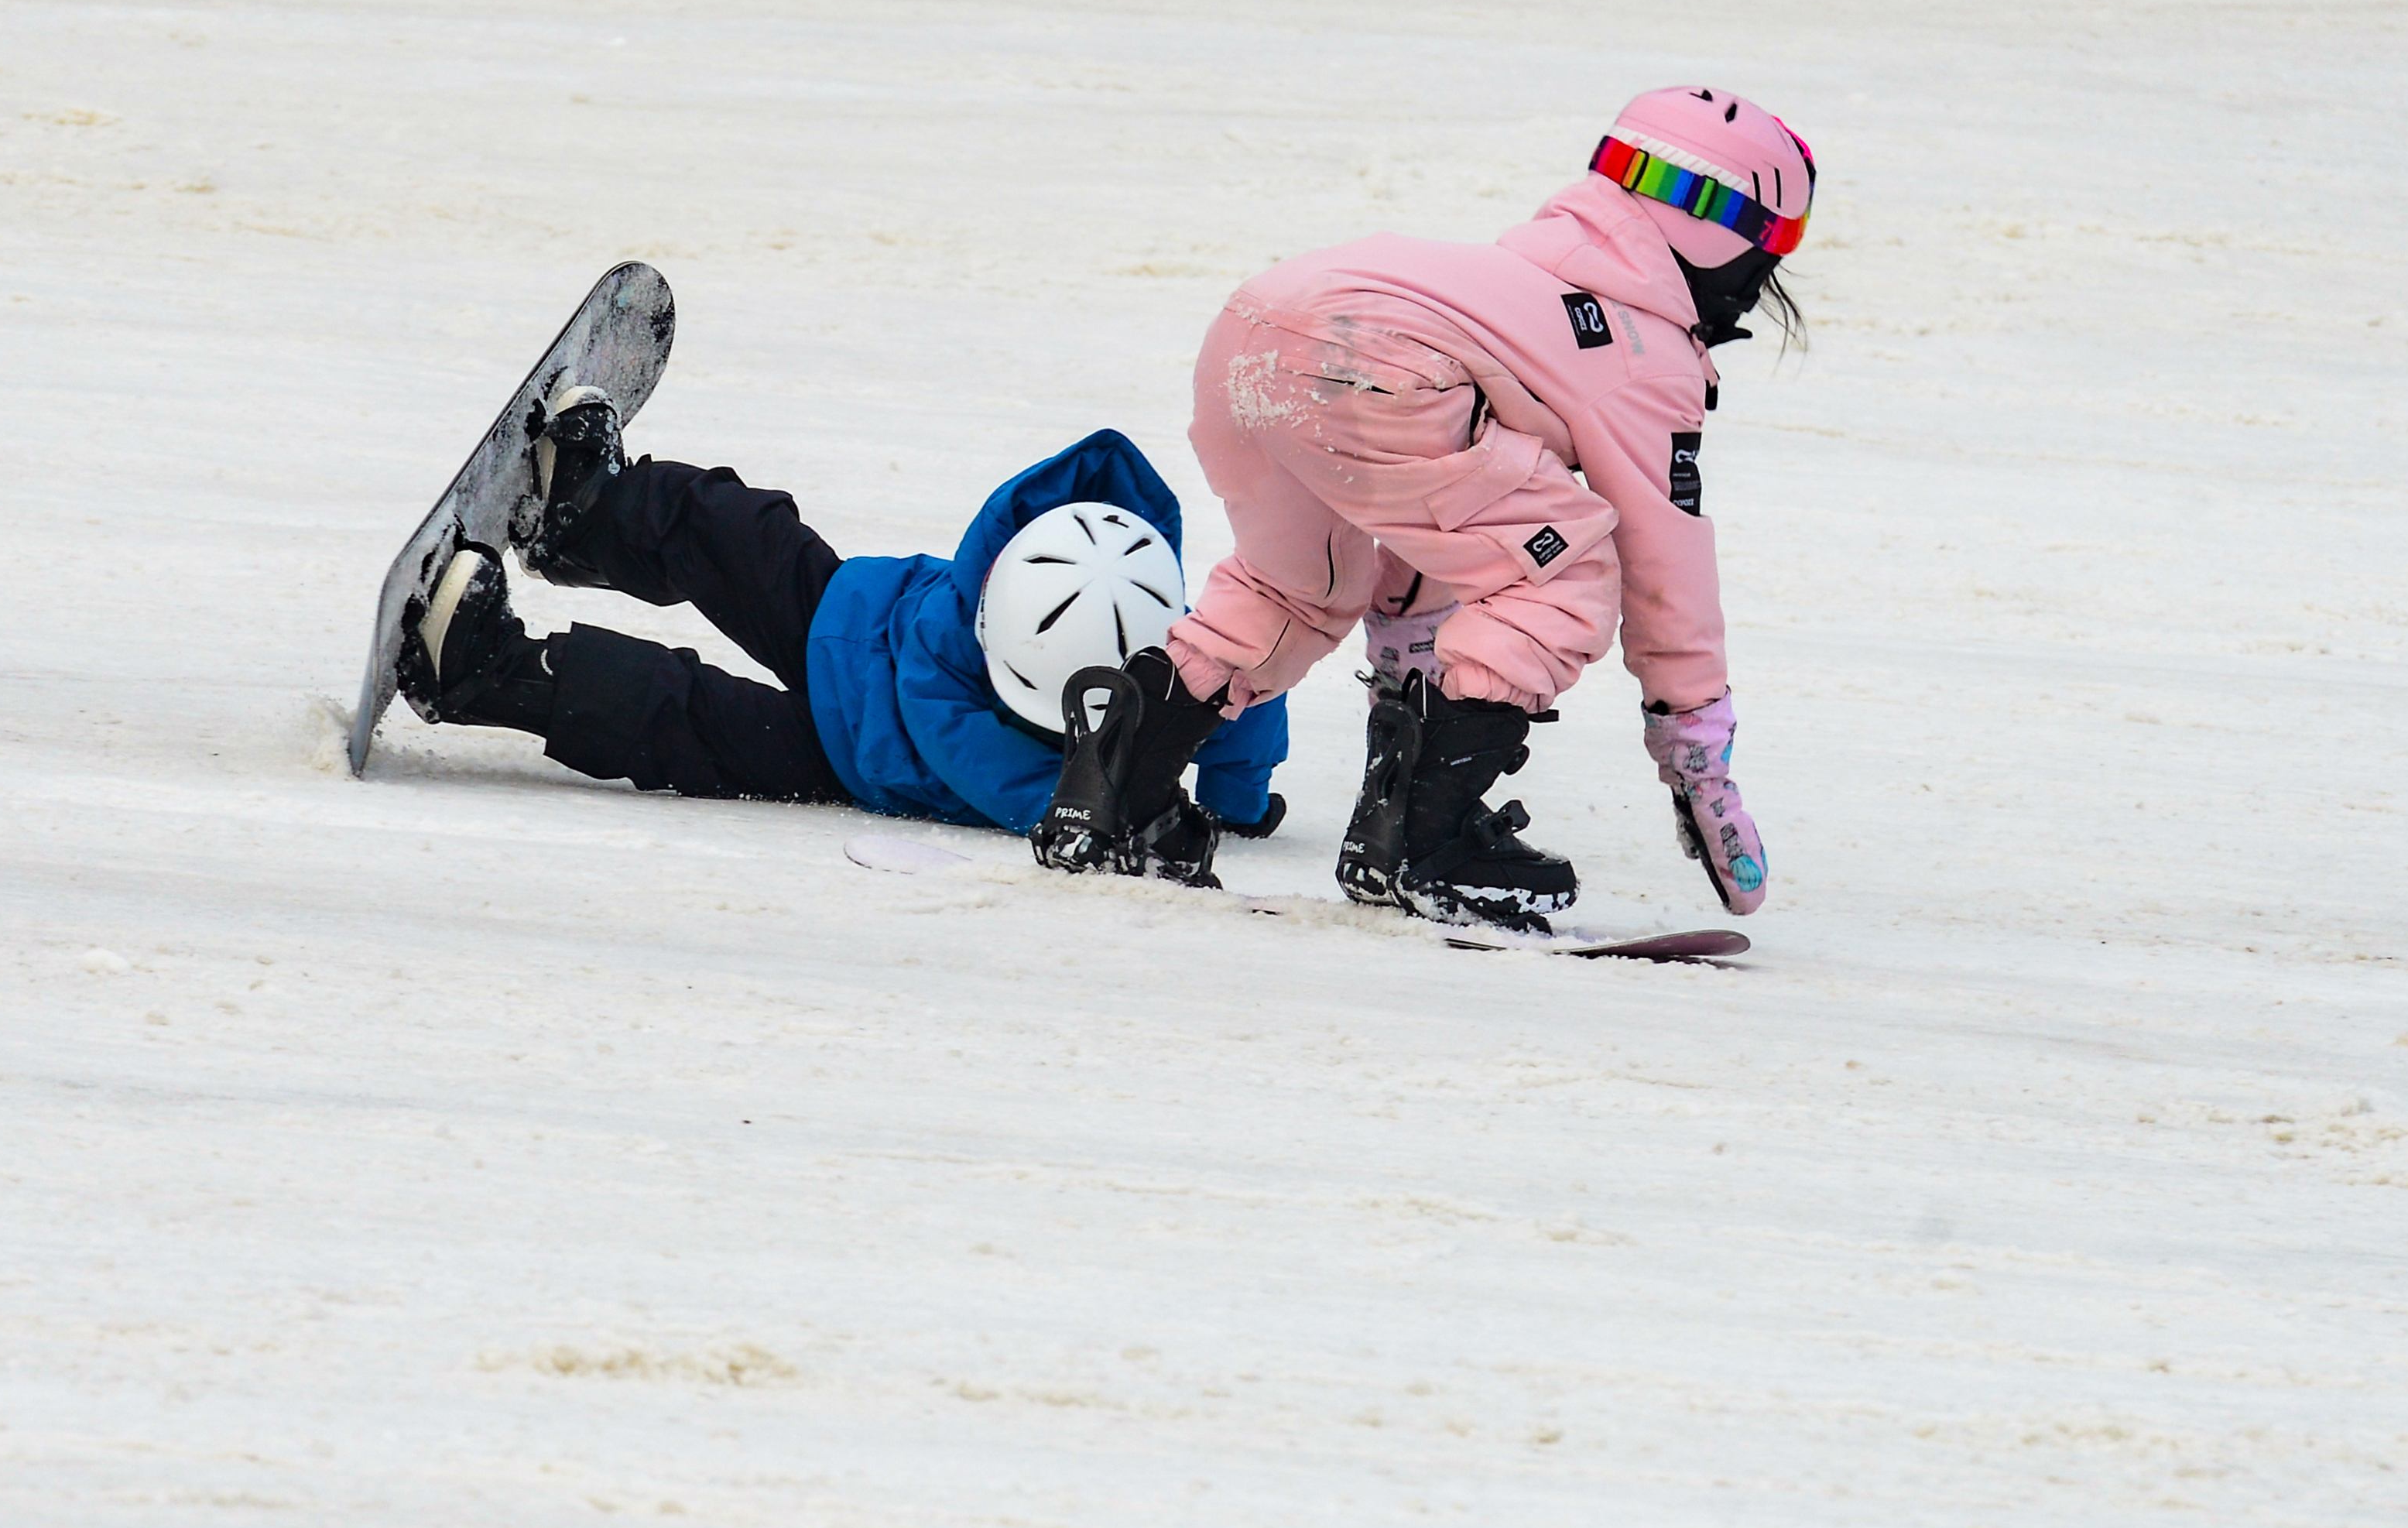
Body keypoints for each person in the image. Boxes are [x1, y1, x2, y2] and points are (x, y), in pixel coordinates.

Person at [1035, 86, 1814, 931]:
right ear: (1728, 239)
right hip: (1380, 357)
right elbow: (1669, 560)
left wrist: (1407, 678)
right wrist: (1694, 750)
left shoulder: (1506, 281)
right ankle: (1427, 838)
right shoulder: (1641, 348)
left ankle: (1114, 800)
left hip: (1251, 330)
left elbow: (1433, 528)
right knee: (1567, 568)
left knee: (1293, 586)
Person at [392, 404, 1291, 840]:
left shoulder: (1149, 662)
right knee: (732, 527)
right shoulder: (981, 656)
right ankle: (588, 511)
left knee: (674, 713)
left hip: (835, 756)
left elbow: (1245, 700)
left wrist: (1228, 806)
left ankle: (485, 668)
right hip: (846, 615)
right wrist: (1158, 809)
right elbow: (1241, 694)